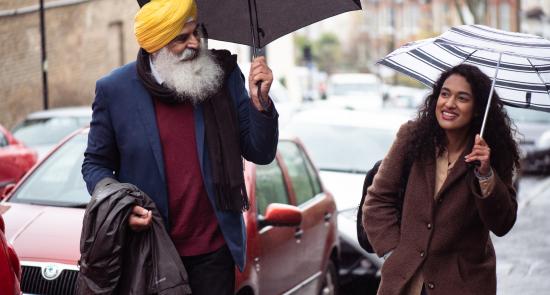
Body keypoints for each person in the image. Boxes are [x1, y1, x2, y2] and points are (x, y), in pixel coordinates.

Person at [81, 0, 279, 293]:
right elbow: (95, 165)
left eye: (195, 32)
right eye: (181, 38)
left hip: (214, 253)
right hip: (150, 252)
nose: (195, 43)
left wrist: (259, 102)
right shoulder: (115, 90)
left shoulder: (222, 76)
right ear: (156, 45)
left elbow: (260, 152)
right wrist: (122, 208)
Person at [362, 64, 519, 295]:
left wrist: (485, 174)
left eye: (462, 98)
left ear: (477, 109)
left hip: (464, 285)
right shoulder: (412, 138)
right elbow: (377, 200)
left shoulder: (491, 153)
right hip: (405, 282)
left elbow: (502, 223)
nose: (449, 103)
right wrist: (394, 251)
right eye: (445, 94)